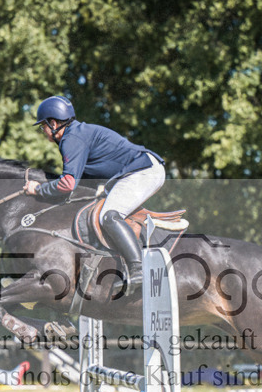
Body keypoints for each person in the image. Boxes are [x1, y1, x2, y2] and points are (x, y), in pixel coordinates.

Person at [23, 95, 165, 293]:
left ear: (53, 123)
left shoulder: (71, 139)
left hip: (143, 171)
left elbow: (67, 185)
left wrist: (37, 189)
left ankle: (139, 269)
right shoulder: (76, 134)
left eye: (43, 126)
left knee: (109, 215)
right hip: (135, 172)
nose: (43, 131)